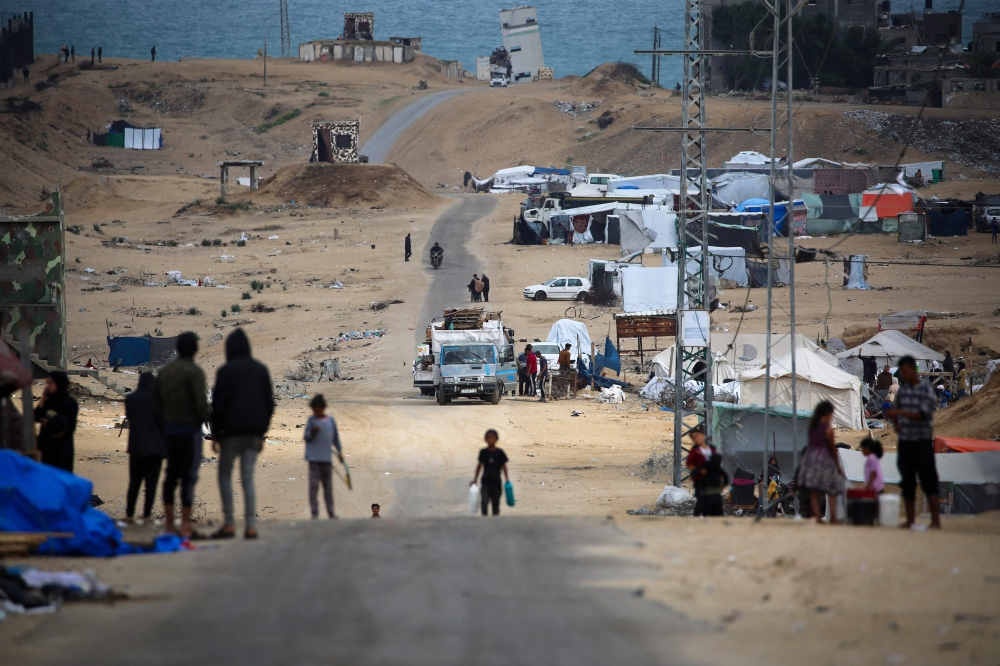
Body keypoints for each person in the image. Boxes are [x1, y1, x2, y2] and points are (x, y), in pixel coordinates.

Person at [210, 328, 273, 539]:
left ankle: (229, 524)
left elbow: (217, 406)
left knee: (225, 475)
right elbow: (269, 404)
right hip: (253, 434)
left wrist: (215, 434)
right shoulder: (261, 370)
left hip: (230, 435)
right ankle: (251, 526)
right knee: (248, 477)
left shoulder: (225, 372)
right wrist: (262, 432)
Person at [153, 332, 210, 538]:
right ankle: (185, 524)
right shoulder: (195, 372)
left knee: (170, 477)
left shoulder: (165, 371)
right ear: (195, 349)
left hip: (168, 432)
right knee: (188, 478)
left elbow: (156, 404)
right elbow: (201, 406)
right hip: (190, 433)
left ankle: (169, 524)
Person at [884, 355, 941, 529]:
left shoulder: (925, 389)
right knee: (907, 481)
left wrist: (901, 413)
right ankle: (910, 520)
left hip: (922, 441)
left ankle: (936, 521)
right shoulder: (904, 390)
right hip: (906, 441)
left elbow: (923, 414)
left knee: (928, 481)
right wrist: (895, 423)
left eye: (905, 371)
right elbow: (895, 410)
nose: (903, 375)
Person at [124, 372, 166, 525]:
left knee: (134, 482)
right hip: (155, 449)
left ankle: (129, 514)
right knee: (151, 484)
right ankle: (147, 514)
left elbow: (129, 417)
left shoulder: (131, 399)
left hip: (136, 447)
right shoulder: (159, 399)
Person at [797, 401, 845, 524]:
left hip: (810, 459)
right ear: (828, 413)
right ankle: (833, 518)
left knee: (814, 490)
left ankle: (818, 517)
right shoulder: (828, 430)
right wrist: (838, 466)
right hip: (824, 460)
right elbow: (832, 449)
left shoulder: (812, 427)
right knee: (832, 489)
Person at [303, 394, 342, 520]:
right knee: (313, 487)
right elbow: (306, 437)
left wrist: (340, 452)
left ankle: (331, 512)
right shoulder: (311, 421)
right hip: (314, 459)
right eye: (314, 409)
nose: (316, 411)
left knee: (328, 488)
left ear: (323, 408)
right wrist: (312, 432)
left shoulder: (330, 421)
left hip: (326, 459)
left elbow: (335, 438)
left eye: (318, 409)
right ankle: (314, 513)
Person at [34, 371, 78, 472]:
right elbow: (35, 417)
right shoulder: (48, 402)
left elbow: (70, 427)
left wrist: (51, 424)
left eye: (50, 383)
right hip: (45, 450)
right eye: (47, 383)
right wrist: (43, 400)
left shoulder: (70, 404)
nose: (47, 386)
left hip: (61, 450)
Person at [471, 429, 509, 516]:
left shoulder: (500, 453)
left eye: (492, 437)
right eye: (488, 437)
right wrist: (475, 480)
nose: (490, 439)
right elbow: (479, 466)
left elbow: (504, 466)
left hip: (496, 483)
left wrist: (507, 480)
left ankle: (494, 525)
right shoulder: (483, 452)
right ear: (485, 439)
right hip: (485, 482)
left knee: (495, 506)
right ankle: (484, 522)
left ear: (496, 439)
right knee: (484, 502)